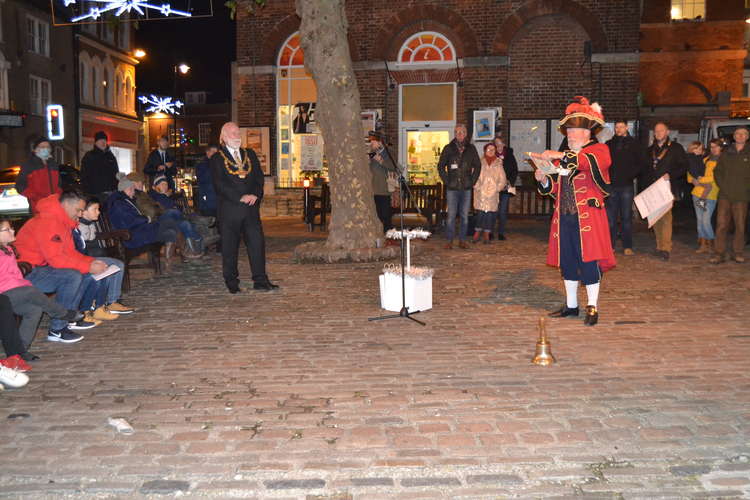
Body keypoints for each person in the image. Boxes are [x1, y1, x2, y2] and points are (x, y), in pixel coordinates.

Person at [533, 96, 615, 326]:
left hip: (588, 217)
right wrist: (542, 177)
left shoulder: (600, 150)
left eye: (575, 130)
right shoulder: (567, 157)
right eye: (568, 130)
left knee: (589, 261)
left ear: (588, 133)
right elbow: (554, 188)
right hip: (565, 217)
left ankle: (592, 306)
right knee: (567, 261)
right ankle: (570, 305)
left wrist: (558, 156)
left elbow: (584, 162)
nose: (569, 134)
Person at [14, 191, 111, 343]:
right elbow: (57, 260)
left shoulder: (62, 221)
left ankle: (69, 318)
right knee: (71, 277)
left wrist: (91, 262)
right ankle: (57, 329)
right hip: (25, 272)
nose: (80, 214)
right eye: (78, 210)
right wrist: (88, 266)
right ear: (66, 205)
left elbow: (69, 253)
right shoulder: (49, 222)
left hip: (41, 267)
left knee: (81, 274)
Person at [210, 122, 278, 293]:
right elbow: (220, 185)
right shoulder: (217, 158)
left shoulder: (250, 154)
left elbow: (258, 179)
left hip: (250, 209)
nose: (237, 136)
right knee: (230, 247)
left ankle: (260, 280)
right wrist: (240, 196)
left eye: (238, 132)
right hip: (230, 210)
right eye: (233, 133)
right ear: (224, 137)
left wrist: (255, 194)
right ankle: (232, 281)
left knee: (257, 244)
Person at [0, 219, 83, 357]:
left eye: (12, 228)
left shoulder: (8, 250)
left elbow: (15, 275)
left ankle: (21, 351)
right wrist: (24, 286)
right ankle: (61, 313)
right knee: (30, 291)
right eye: (7, 229)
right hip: (3, 294)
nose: (13, 231)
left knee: (34, 310)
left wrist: (23, 284)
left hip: (13, 292)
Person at [72, 198, 135, 320]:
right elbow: (82, 247)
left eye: (98, 209)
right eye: (95, 209)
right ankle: (108, 302)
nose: (98, 212)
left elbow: (95, 237)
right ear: (83, 212)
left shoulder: (91, 223)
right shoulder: (79, 225)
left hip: (96, 255)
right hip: (88, 258)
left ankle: (112, 301)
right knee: (116, 265)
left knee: (116, 265)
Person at [106, 174, 178, 266]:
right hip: (130, 236)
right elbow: (129, 222)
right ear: (127, 189)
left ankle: (168, 264)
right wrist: (146, 219)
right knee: (170, 226)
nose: (133, 192)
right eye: (132, 190)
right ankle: (169, 263)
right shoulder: (119, 204)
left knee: (170, 229)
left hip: (137, 231)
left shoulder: (124, 200)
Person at [642, 122, 688, 261]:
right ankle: (659, 245)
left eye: (661, 131)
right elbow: (645, 169)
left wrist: (671, 174)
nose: (658, 133)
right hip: (652, 188)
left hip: (667, 187)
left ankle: (666, 248)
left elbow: (684, 166)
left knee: (666, 218)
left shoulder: (676, 148)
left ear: (667, 132)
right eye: (656, 131)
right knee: (655, 217)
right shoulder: (650, 150)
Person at [605, 121, 648, 255]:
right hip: (611, 186)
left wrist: (631, 175)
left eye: (621, 127)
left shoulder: (635, 144)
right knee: (611, 219)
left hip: (626, 186)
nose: (618, 129)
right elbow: (604, 163)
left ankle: (627, 246)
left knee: (626, 218)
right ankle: (610, 246)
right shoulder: (608, 144)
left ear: (626, 128)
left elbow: (642, 163)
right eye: (617, 127)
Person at [437, 124, 481, 249]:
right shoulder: (448, 148)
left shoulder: (471, 149)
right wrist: (447, 180)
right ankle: (449, 240)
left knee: (464, 216)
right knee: (451, 215)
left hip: (466, 188)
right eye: (457, 132)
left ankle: (462, 240)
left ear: (466, 134)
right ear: (455, 134)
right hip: (452, 188)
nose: (459, 134)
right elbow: (440, 166)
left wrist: (472, 181)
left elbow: (478, 166)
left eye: (462, 132)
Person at [711, 127, 750, 264]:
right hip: (725, 195)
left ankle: (737, 252)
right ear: (734, 136)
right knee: (721, 225)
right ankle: (719, 253)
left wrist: (746, 188)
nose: (740, 136)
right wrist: (723, 185)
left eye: (743, 134)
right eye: (738, 134)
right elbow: (717, 171)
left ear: (747, 137)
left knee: (740, 226)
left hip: (741, 196)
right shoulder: (726, 153)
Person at [149, 175, 203, 258]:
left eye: (166, 184)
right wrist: (165, 196)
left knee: (186, 224)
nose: (165, 186)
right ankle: (191, 221)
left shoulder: (166, 196)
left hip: (173, 221)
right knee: (173, 212)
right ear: (156, 186)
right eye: (162, 184)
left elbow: (175, 206)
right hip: (162, 222)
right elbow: (169, 208)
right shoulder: (154, 195)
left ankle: (193, 249)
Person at [687, 140, 719, 254]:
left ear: (721, 148)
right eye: (712, 147)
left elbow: (714, 178)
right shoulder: (705, 159)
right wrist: (693, 180)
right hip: (698, 194)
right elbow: (689, 175)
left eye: (716, 147)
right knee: (700, 220)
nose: (714, 149)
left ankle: (711, 243)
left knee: (706, 220)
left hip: (710, 195)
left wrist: (699, 180)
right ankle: (703, 244)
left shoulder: (721, 162)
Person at [16, 137, 62, 213]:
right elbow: (20, 186)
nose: (45, 149)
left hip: (54, 204)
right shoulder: (29, 165)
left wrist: (57, 196)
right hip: (37, 206)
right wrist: (35, 197)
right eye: (42, 147)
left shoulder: (53, 165)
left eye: (48, 147)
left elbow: (59, 184)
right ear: (35, 150)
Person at [472, 143, 507, 244]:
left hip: (493, 193)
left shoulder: (498, 164)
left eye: (493, 149)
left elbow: (502, 179)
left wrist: (497, 188)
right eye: (488, 149)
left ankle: (487, 234)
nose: (491, 151)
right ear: (484, 150)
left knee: (490, 215)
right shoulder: (479, 163)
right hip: (481, 193)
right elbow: (474, 176)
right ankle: (477, 232)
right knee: (480, 213)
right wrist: (478, 187)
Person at [80, 131, 120, 203]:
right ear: (96, 142)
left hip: (110, 193)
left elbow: (116, 173)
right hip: (96, 193)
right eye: (100, 140)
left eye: (104, 140)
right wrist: (87, 191)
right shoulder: (89, 156)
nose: (103, 142)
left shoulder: (111, 156)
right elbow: (84, 175)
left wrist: (116, 188)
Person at [368, 131, 396, 232]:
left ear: (380, 143)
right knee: (376, 216)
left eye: (373, 142)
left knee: (385, 216)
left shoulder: (388, 153)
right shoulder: (371, 153)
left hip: (384, 190)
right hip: (373, 190)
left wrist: (381, 161)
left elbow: (394, 167)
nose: (371, 144)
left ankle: (388, 235)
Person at [493, 133, 518, 241]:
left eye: (499, 144)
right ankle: (489, 232)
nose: (498, 147)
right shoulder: (492, 155)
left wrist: (510, 181)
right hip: (493, 188)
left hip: (505, 187)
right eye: (496, 144)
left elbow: (514, 170)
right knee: (493, 210)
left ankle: (501, 232)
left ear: (504, 144)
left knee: (502, 211)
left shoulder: (509, 155)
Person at [196, 144, 219, 217]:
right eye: (213, 152)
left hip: (219, 202)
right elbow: (203, 179)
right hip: (207, 202)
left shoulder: (219, 164)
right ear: (207, 152)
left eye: (216, 152)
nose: (215, 154)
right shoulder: (201, 165)